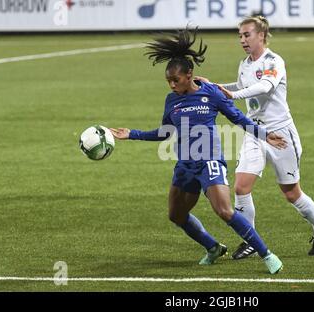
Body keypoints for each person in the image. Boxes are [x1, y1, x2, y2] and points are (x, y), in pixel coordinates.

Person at [110, 27, 287, 274]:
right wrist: (132, 134)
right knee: (176, 215)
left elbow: (238, 118)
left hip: (209, 161)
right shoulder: (172, 100)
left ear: (189, 74)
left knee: (225, 211)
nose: (172, 85)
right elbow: (166, 132)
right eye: (168, 81)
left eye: (176, 80)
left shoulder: (210, 93)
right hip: (185, 165)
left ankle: (267, 254)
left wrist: (265, 135)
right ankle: (213, 247)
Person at [196, 16, 314, 259]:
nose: (242, 40)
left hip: (280, 134)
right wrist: (213, 85)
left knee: (291, 193)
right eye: (240, 36)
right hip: (255, 132)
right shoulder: (245, 64)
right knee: (241, 187)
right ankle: (250, 239)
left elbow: (265, 86)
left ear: (261, 35)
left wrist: (232, 95)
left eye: (247, 34)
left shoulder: (274, 61)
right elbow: (238, 85)